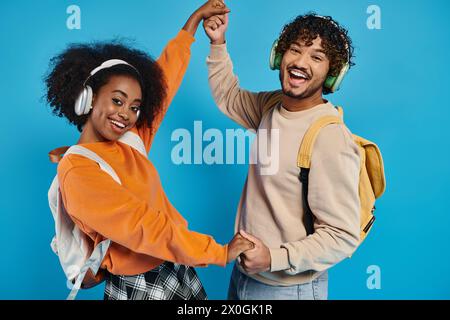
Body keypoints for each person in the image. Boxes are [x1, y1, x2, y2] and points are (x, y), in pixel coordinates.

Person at [45, 0, 253, 300]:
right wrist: (218, 252)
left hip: (175, 263)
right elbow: (141, 225)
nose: (125, 114)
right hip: (140, 284)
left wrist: (190, 26)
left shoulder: (130, 139)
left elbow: (164, 81)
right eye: (117, 100)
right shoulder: (78, 172)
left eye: (135, 107)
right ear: (87, 98)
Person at [203, 12, 361, 300]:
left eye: (317, 57)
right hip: (244, 275)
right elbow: (229, 96)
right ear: (279, 55)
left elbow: (342, 236)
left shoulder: (329, 137)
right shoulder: (272, 105)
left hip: (289, 289)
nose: (300, 62)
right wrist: (218, 43)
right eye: (295, 50)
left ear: (332, 73)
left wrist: (274, 258)